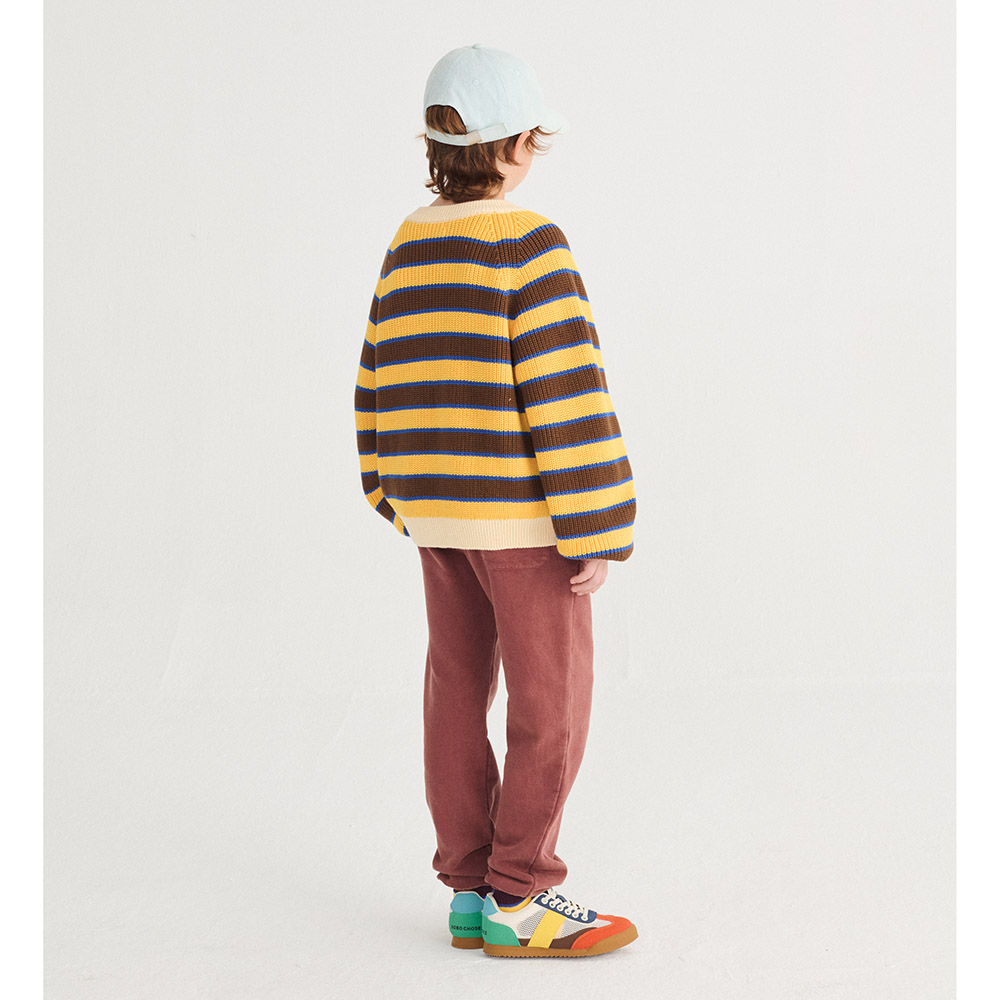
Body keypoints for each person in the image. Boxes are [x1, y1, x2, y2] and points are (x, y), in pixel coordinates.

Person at [353, 43, 639, 958]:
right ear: (518, 144)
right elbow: (567, 390)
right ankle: (522, 894)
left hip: (436, 514)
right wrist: (596, 523)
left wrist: (389, 490)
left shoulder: (409, 240)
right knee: (551, 704)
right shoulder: (528, 241)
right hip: (523, 520)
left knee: (455, 690)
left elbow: (378, 374)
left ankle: (471, 889)